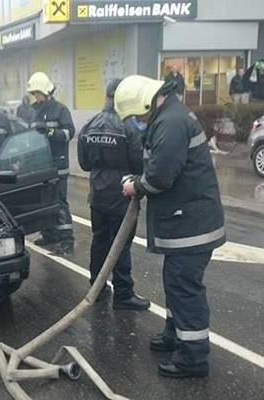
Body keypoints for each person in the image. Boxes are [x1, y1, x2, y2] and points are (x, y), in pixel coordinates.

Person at [115, 75, 225, 379]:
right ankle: (175, 334)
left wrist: (134, 187)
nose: (138, 121)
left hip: (191, 225)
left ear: (148, 103)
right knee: (175, 283)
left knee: (185, 288)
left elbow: (161, 176)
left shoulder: (171, 123)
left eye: (138, 115)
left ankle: (193, 358)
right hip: (186, 223)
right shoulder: (169, 117)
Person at [77, 79, 151, 311]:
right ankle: (123, 294)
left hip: (97, 194)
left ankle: (96, 289)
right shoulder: (128, 126)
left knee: (99, 241)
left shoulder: (89, 124)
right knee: (120, 246)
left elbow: (84, 163)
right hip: (122, 194)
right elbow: (138, 163)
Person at [27, 71, 75, 255]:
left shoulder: (60, 110)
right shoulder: (34, 112)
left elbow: (69, 133)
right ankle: (49, 234)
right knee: (44, 202)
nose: (36, 97)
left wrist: (49, 132)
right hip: (41, 165)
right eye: (34, 94)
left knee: (59, 202)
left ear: (47, 91)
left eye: (38, 93)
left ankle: (67, 240)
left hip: (58, 165)